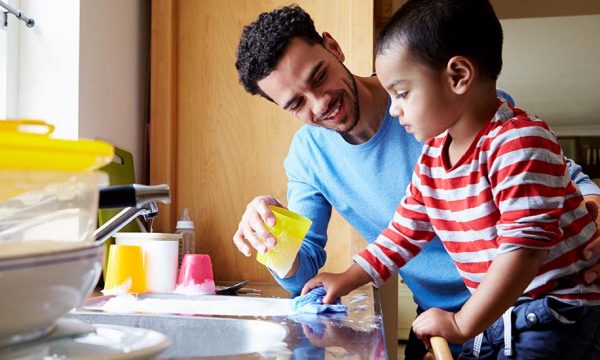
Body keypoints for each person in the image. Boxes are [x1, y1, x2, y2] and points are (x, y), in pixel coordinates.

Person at [233, 4, 600, 358]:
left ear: (333, 47)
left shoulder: (458, 108)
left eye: (319, 76)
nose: (319, 102)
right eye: (297, 104)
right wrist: (274, 237)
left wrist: (591, 215)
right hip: (452, 320)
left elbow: (547, 199)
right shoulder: (419, 148)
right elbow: (399, 233)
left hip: (542, 306)